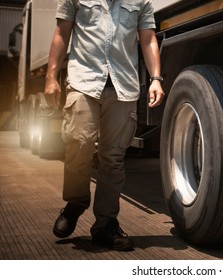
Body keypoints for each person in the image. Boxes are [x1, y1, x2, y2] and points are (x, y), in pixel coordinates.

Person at [44, 0, 164, 251]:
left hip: (123, 88)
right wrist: (51, 76)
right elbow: (61, 33)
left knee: (113, 158)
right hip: (83, 82)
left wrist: (156, 79)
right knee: (80, 142)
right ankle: (76, 202)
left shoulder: (141, 2)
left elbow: (148, 39)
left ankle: (105, 225)